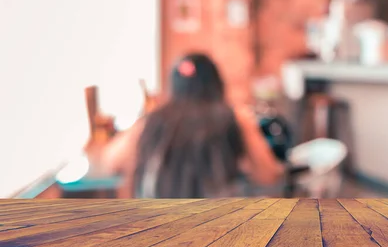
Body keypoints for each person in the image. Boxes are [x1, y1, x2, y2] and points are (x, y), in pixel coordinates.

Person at [100, 53, 284, 198]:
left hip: (162, 227)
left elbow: (109, 163)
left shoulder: (152, 121)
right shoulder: (235, 116)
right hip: (220, 226)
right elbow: (268, 175)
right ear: (216, 83)